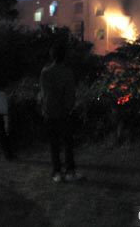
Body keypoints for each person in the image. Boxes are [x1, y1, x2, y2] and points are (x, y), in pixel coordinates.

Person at [39, 41, 82, 183]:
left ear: (52, 56)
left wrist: (46, 109)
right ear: (64, 56)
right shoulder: (68, 72)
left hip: (50, 112)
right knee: (68, 143)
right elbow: (70, 94)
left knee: (54, 144)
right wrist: (69, 107)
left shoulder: (45, 72)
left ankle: (57, 172)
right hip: (64, 113)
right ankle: (70, 171)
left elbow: (44, 94)